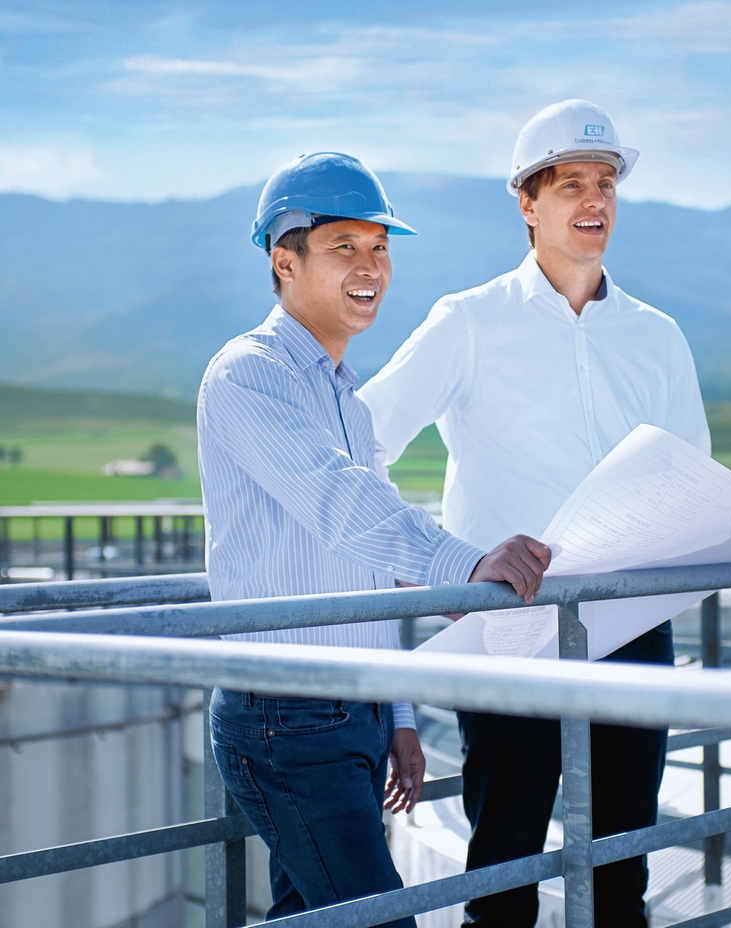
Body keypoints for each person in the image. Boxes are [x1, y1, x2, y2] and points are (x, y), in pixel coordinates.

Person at [358, 100, 731, 927]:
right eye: (572, 181)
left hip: (633, 624)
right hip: (507, 626)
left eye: (606, 182)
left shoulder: (658, 337)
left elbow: (694, 485)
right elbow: (359, 446)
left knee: (622, 867)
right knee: (501, 872)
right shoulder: (467, 322)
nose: (594, 199)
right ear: (527, 202)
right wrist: (442, 560)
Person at [197, 151, 551, 925]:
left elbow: (367, 564)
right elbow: (340, 503)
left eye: (380, 247)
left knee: (311, 914)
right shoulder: (247, 377)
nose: (371, 268)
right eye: (344, 248)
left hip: (350, 710)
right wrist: (464, 567)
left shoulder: (347, 397)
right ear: (284, 261)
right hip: (285, 713)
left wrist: (397, 716)